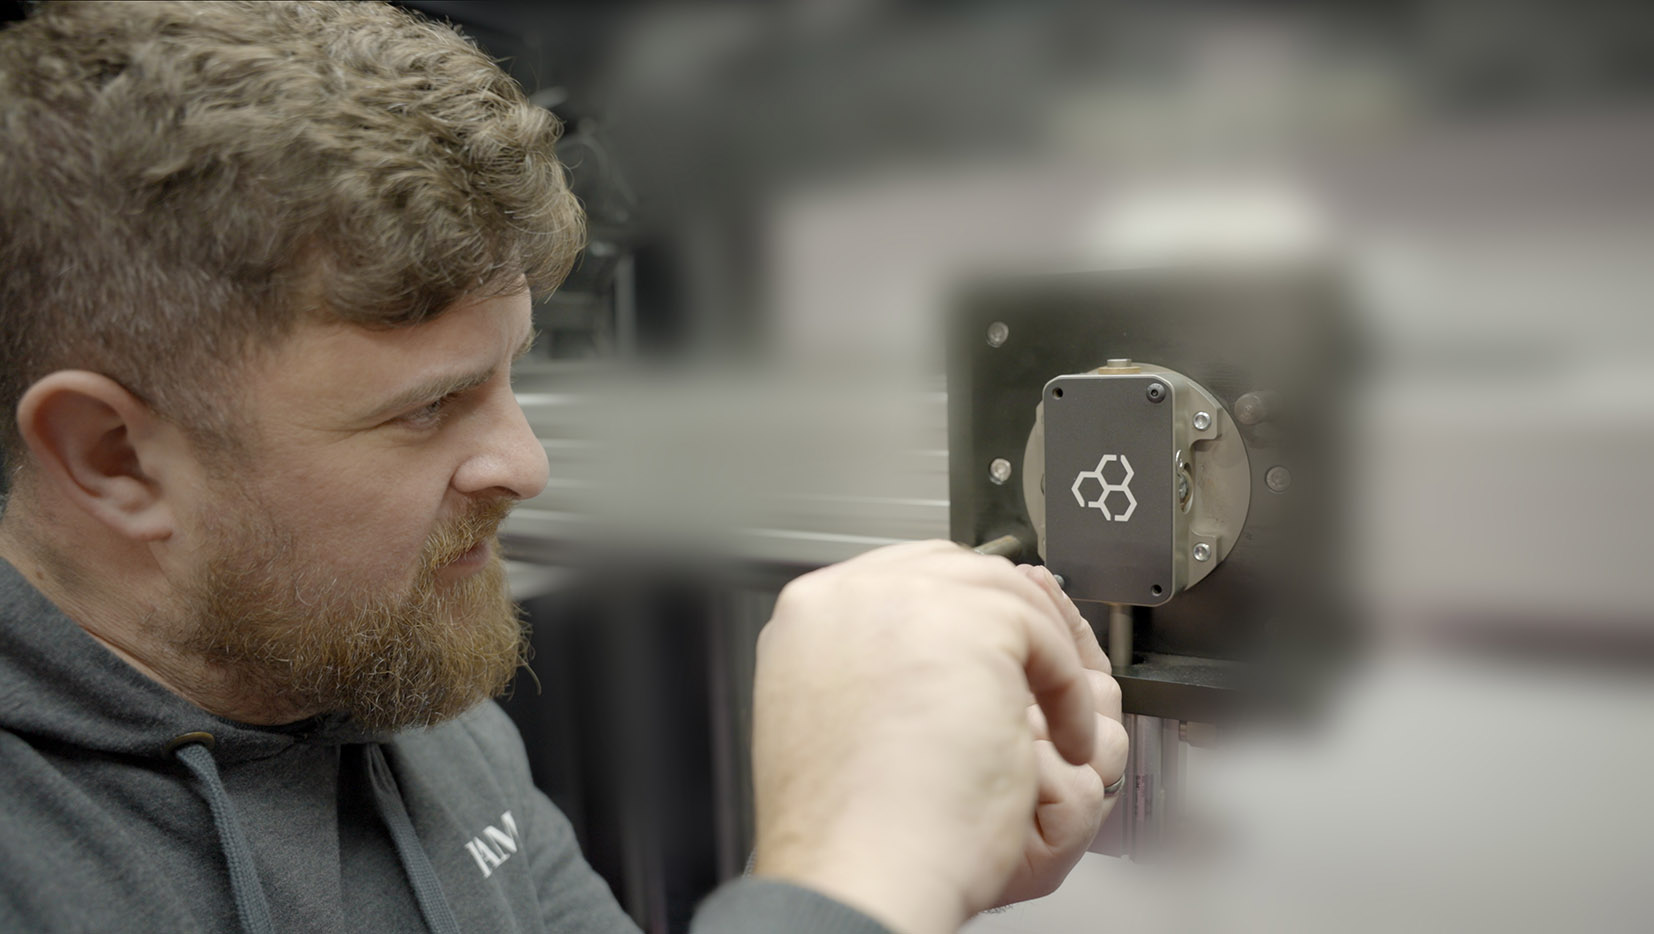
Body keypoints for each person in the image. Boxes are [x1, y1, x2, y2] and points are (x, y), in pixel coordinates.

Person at [0, 3, 1128, 932]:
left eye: (511, 375)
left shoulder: (399, 697)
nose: (525, 463)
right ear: (114, 458)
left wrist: (923, 857)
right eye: (428, 407)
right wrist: (851, 879)